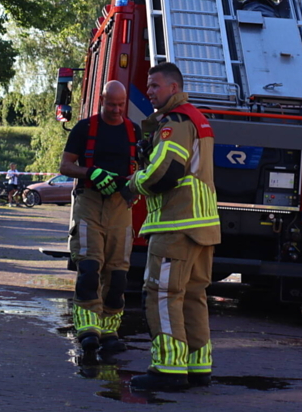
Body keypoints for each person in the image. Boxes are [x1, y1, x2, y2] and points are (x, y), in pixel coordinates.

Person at [124, 62, 219, 392]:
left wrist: (134, 183)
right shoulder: (197, 118)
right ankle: (197, 366)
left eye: (155, 86)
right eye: (149, 86)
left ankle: (168, 369)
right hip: (202, 225)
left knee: (162, 295)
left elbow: (166, 171)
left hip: (176, 223)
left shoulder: (175, 122)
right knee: (193, 296)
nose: (149, 91)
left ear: (174, 88)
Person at [59, 80, 138, 356]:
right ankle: (87, 329)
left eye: (120, 105)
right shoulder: (85, 129)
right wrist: (91, 172)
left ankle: (109, 330)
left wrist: (133, 185)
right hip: (90, 204)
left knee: (117, 276)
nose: (116, 110)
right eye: (111, 104)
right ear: (102, 100)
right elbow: (65, 165)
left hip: (120, 206)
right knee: (89, 270)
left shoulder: (133, 131)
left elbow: (145, 168)